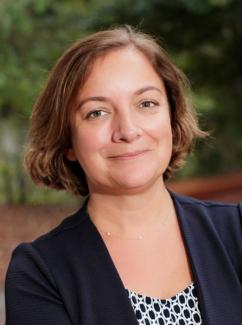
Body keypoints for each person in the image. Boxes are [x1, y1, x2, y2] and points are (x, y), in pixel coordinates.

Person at [5, 25, 242, 325]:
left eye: (146, 104)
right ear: (67, 142)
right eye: (97, 112)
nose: (128, 131)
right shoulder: (40, 273)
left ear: (171, 115)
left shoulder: (237, 232)